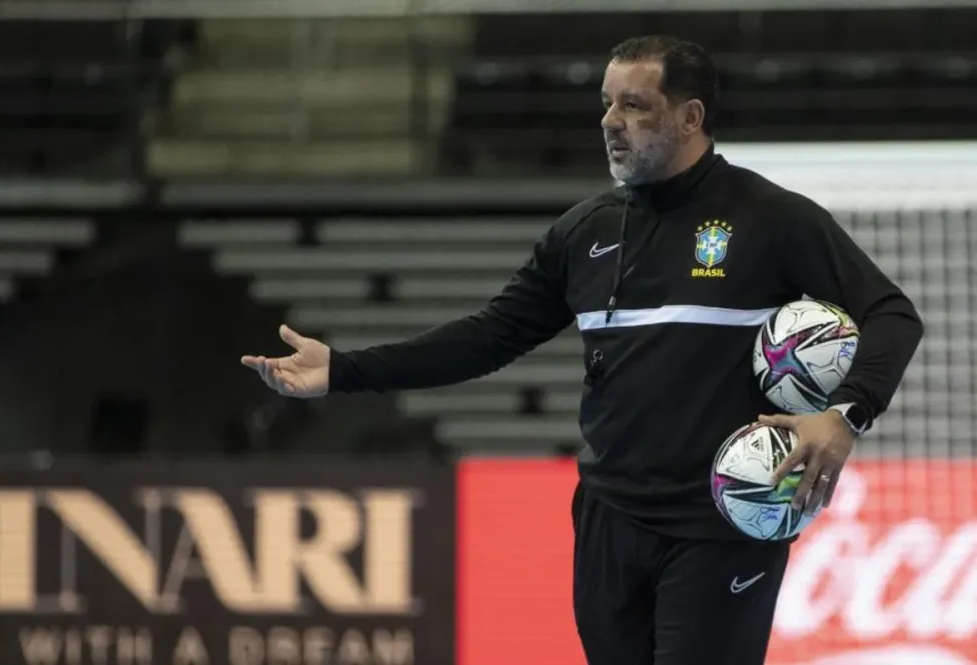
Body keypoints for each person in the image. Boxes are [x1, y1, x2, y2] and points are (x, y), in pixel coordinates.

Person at [242, 35, 924, 665]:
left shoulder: (770, 217)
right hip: (608, 516)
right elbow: (489, 336)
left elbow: (892, 314)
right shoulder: (584, 232)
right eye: (606, 103)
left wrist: (843, 417)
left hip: (723, 518)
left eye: (634, 105)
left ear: (691, 116)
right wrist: (344, 370)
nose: (610, 121)